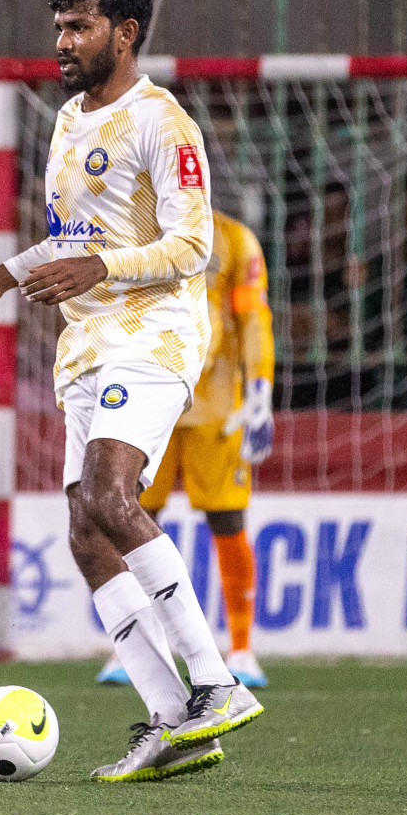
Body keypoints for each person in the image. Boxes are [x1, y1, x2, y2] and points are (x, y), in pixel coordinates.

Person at [0, 0, 262, 783]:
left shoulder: (165, 124)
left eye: (79, 27)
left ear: (126, 32)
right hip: (86, 346)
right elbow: (73, 242)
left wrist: (101, 270)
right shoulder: (71, 120)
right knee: (86, 532)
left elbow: (194, 246)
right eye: (58, 29)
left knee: (112, 497)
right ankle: (168, 718)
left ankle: (216, 683)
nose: (63, 43)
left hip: (152, 334)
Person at [95, 210, 276, 689]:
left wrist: (260, 390)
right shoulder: (136, 230)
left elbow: (253, 316)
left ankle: (241, 648)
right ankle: (129, 646)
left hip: (216, 407)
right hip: (149, 397)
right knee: (127, 516)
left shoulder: (236, 239)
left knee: (227, 519)